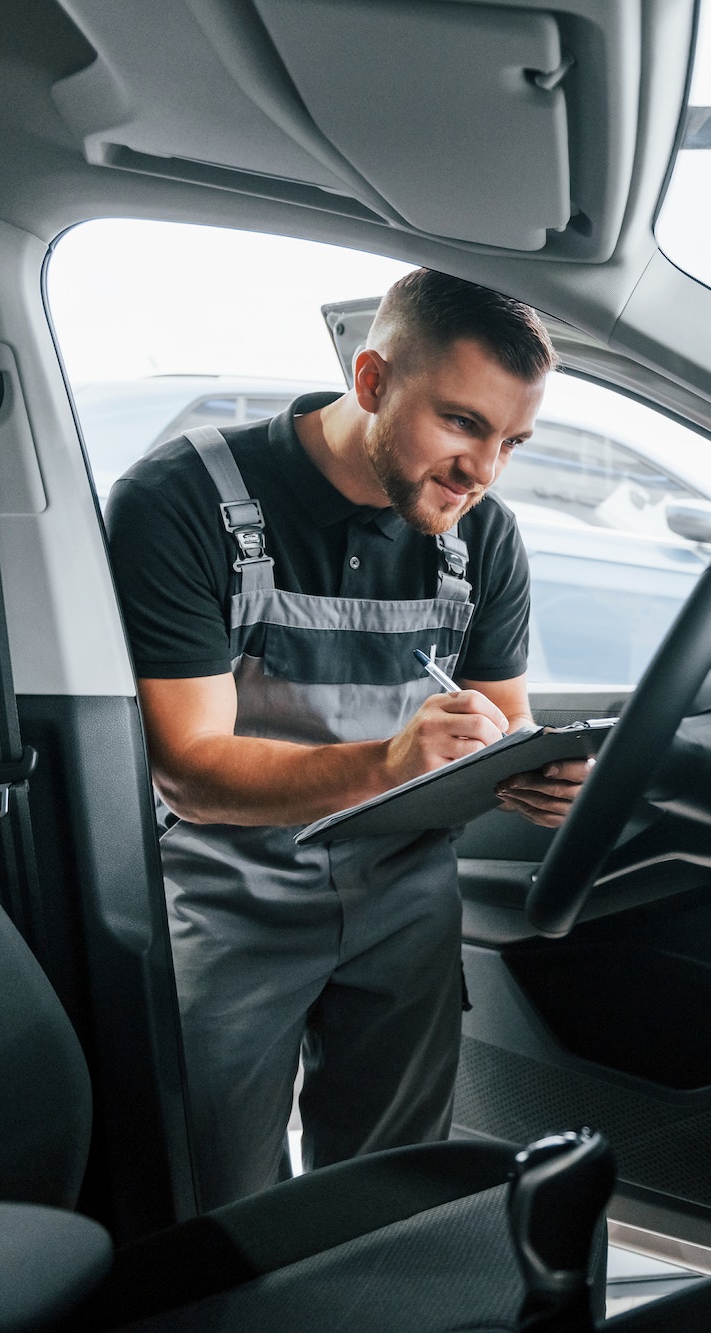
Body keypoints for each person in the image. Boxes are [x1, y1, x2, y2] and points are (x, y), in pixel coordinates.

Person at [105, 268, 589, 1209]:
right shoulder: (181, 502)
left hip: (404, 893)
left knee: (386, 1196)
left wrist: (535, 769)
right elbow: (189, 771)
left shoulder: (485, 538)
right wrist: (391, 762)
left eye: (511, 442)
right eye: (462, 423)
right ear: (371, 381)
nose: (484, 471)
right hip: (228, 894)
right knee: (215, 1201)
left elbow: (501, 712)